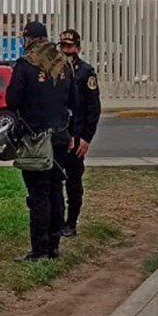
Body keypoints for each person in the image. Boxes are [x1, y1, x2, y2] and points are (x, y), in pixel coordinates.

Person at [5, 21, 81, 261]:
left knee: (38, 195)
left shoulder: (26, 63)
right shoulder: (65, 64)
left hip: (36, 138)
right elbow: (75, 102)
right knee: (55, 190)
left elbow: (12, 101)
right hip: (60, 136)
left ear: (29, 39)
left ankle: (39, 251)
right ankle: (54, 247)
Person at [57, 29, 101, 237]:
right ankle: (57, 221)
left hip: (76, 136)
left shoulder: (86, 72)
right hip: (58, 135)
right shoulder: (55, 70)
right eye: (63, 46)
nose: (66, 50)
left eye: (70, 47)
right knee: (55, 180)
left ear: (78, 48)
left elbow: (93, 108)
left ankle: (71, 223)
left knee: (74, 183)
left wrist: (86, 138)